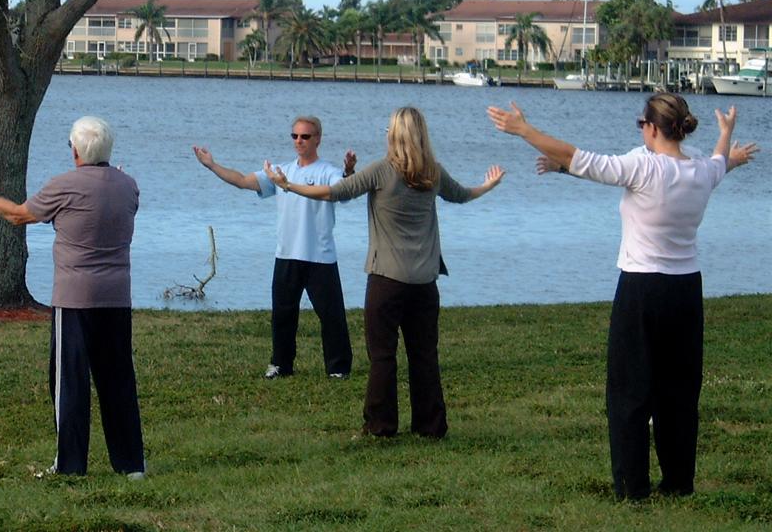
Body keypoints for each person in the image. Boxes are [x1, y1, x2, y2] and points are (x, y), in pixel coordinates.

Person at [487, 93, 752, 500]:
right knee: (679, 390)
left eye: (640, 123)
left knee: (629, 390)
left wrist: (524, 130)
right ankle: (679, 483)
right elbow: (721, 165)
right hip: (686, 291)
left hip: (642, 289)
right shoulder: (700, 168)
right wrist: (726, 137)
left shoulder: (642, 166)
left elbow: (579, 157)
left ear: (650, 127)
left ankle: (632, 488)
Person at [264, 107, 504, 438]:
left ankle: (380, 427)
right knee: (424, 356)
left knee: (382, 357)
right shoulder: (433, 172)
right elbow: (462, 195)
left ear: (394, 135)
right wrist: (488, 185)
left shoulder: (381, 171)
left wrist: (288, 186)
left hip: (386, 280)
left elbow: (333, 193)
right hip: (425, 282)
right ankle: (431, 427)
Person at [0, 116, 145, 478]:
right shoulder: (128, 186)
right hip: (117, 297)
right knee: (118, 380)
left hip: (75, 298)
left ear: (76, 150)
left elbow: (18, 216)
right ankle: (131, 465)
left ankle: (70, 465)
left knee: (70, 383)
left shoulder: (64, 186)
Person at [193, 116, 356, 379]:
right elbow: (243, 181)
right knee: (283, 313)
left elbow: (343, 191)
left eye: (305, 136)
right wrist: (212, 165)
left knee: (331, 315)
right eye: (295, 136)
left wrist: (349, 172)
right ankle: (281, 364)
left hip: (320, 256)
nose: (299, 141)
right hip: (287, 254)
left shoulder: (327, 171)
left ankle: (338, 368)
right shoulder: (280, 171)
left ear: (318, 139)